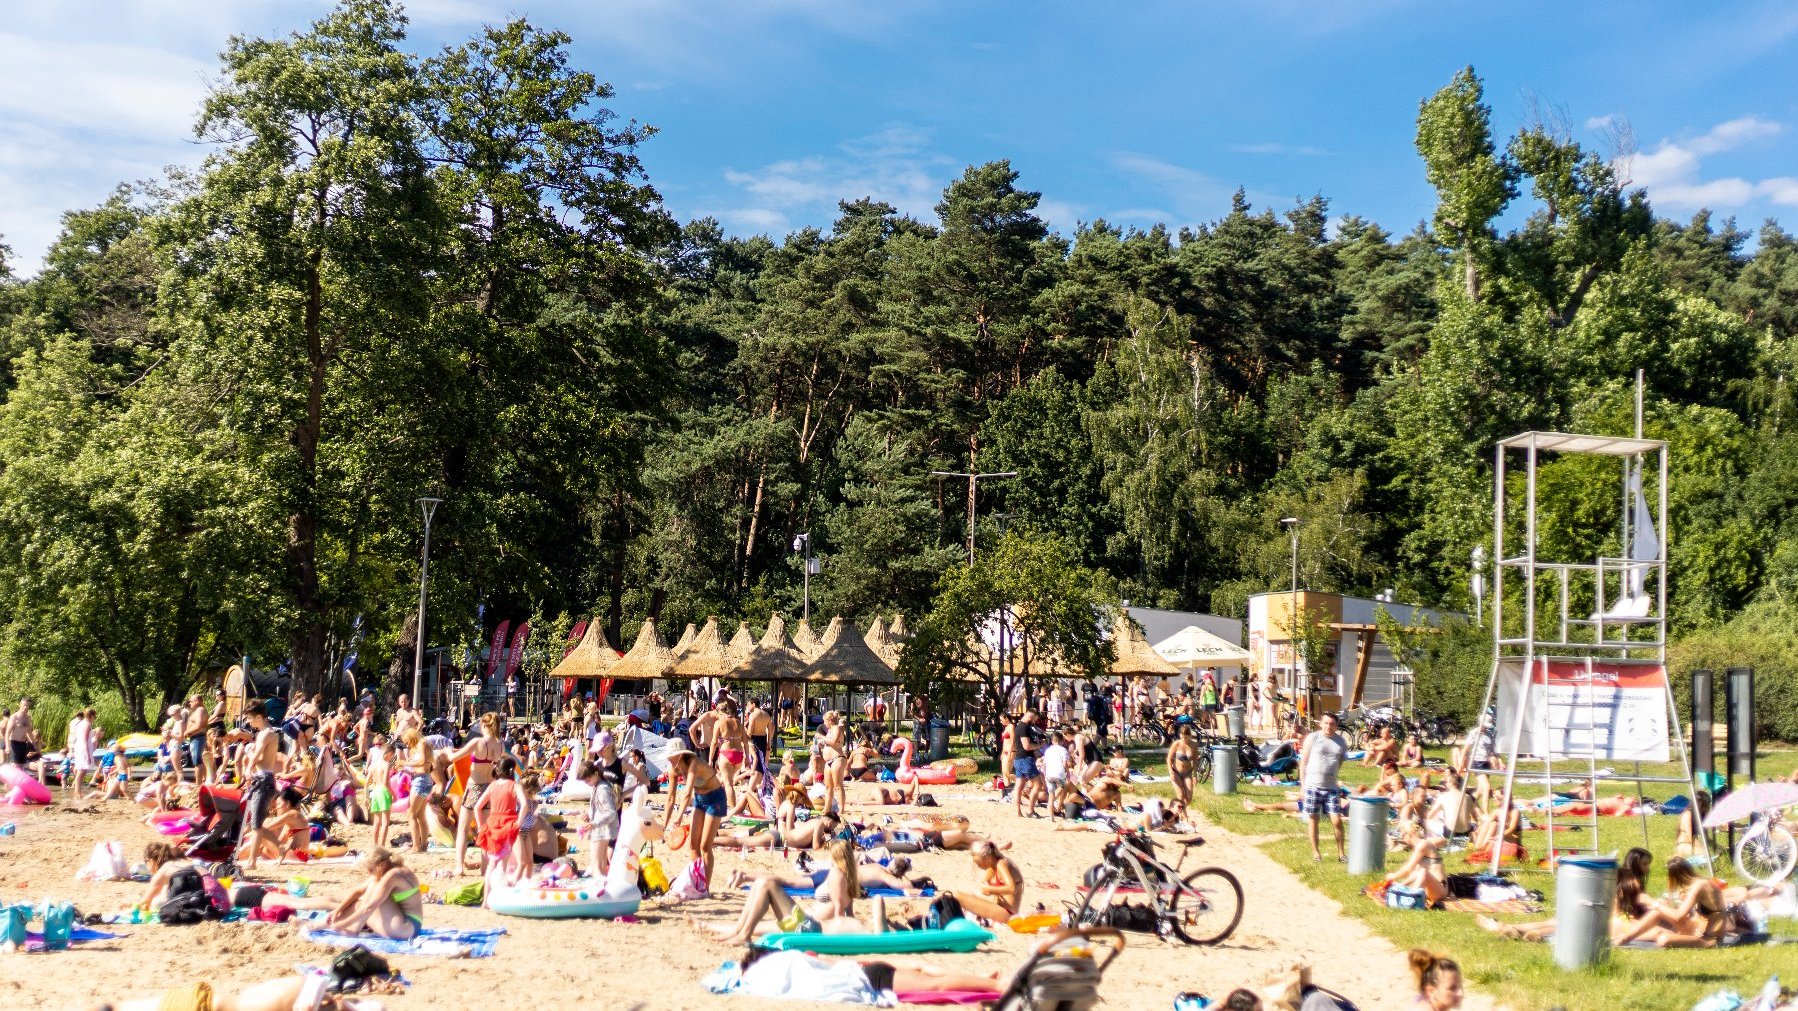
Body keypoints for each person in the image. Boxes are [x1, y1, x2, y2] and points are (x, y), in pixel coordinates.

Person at [706, 838, 861, 945]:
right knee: (759, 918)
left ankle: (720, 929)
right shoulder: (849, 877)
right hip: (808, 923)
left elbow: (839, 915)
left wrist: (832, 942)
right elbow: (849, 913)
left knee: (765, 887)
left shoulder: (836, 875)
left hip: (807, 927)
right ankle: (737, 932)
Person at [447, 712, 504, 874]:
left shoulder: (478, 742)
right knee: (485, 830)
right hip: (489, 789)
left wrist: (445, 752)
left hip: (474, 788)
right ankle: (485, 868)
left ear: (484, 725)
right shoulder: (500, 744)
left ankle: (459, 867)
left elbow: (453, 757)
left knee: (463, 829)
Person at [324, 847, 422, 940]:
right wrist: (337, 910)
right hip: (411, 926)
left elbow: (369, 908)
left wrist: (343, 925)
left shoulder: (392, 875)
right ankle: (339, 926)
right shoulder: (391, 869)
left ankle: (351, 930)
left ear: (381, 865)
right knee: (360, 903)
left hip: (405, 929)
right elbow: (358, 891)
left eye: (370, 870)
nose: (369, 873)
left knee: (371, 892)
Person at [235, 702, 285, 871]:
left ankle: (252, 862)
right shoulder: (266, 732)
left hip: (263, 779)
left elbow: (257, 757)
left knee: (255, 825)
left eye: (249, 718)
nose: (248, 722)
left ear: (258, 717)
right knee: (255, 823)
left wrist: (248, 767)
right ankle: (281, 847)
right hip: (263, 778)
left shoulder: (266, 734)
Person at [664, 745, 728, 873]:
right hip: (700, 799)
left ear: (680, 755)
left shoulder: (694, 763)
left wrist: (679, 816)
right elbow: (670, 798)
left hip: (715, 799)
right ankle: (698, 881)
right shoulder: (673, 771)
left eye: (671, 757)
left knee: (705, 846)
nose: (669, 760)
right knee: (693, 845)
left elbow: (687, 793)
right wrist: (664, 825)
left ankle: (705, 887)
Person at [1298, 711, 1349, 862]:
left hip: (1331, 787)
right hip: (1313, 785)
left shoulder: (1341, 742)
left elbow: (1339, 762)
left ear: (1336, 726)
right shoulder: (1313, 738)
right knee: (1314, 819)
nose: (1328, 726)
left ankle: (1341, 854)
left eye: (1332, 724)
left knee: (1337, 820)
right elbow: (1303, 763)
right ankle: (1316, 854)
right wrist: (1303, 785)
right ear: (1321, 724)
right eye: (1326, 723)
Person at [473, 757, 528, 886]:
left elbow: (477, 807)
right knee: (521, 862)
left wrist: (481, 827)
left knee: (493, 864)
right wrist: (519, 823)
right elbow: (524, 805)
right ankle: (511, 888)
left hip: (493, 825)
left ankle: (487, 899)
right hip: (509, 825)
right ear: (511, 770)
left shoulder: (492, 785)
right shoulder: (514, 786)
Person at [945, 841, 1022, 923]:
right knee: (964, 896)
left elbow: (1012, 888)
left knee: (957, 896)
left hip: (1007, 913)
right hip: (999, 908)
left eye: (978, 863)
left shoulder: (1001, 864)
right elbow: (982, 884)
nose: (978, 866)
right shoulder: (992, 866)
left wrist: (989, 889)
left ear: (988, 859)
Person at [1013, 710, 1045, 818]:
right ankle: (1030, 811)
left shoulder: (1019, 726)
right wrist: (1039, 745)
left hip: (1018, 759)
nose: (1034, 722)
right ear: (1031, 717)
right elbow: (1026, 746)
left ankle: (1018, 812)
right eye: (1035, 719)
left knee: (1018, 787)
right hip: (1025, 759)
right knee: (1038, 784)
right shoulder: (1024, 727)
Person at [65, 708, 96, 797]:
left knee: (81, 770)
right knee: (82, 771)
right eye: (94, 717)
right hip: (83, 748)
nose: (94, 718)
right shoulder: (87, 724)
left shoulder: (81, 723)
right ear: (91, 716)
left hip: (79, 747)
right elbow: (85, 740)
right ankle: (77, 792)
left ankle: (77, 792)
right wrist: (88, 755)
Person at [1041, 730, 1071, 816]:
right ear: (1062, 741)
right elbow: (1065, 764)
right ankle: (1058, 805)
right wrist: (1068, 773)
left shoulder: (1048, 750)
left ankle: (1051, 817)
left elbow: (1044, 764)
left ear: (1052, 741)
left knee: (1051, 794)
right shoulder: (1063, 750)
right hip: (1059, 774)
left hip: (1049, 774)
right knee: (1063, 787)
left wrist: (1045, 774)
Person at [1166, 726, 1197, 810]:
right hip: (1176, 772)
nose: (1184, 739)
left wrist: (1195, 775)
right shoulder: (1176, 744)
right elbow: (1169, 758)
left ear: (1190, 736)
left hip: (1188, 772)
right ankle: (1181, 814)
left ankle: (1180, 810)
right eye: (1182, 737)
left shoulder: (1194, 745)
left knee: (1189, 797)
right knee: (1180, 796)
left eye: (1186, 737)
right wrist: (1171, 772)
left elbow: (1194, 760)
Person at [5, 697, 39, 767]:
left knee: (21, 765)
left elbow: (29, 732)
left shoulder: (28, 718)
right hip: (14, 743)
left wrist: (35, 745)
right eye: (24, 705)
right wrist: (7, 746)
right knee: (15, 765)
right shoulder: (14, 717)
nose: (26, 707)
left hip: (23, 744)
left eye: (28, 705)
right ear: (20, 705)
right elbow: (7, 733)